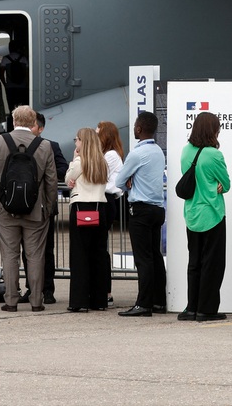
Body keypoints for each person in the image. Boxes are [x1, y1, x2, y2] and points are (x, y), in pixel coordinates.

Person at [0, 105, 58, 312]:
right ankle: (36, 301)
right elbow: (51, 181)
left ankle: (11, 301)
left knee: (10, 255)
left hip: (5, 210)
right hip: (36, 211)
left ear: (14, 120)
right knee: (35, 256)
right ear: (33, 122)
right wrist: (48, 207)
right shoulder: (44, 146)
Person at [113, 111, 167, 317]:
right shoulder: (158, 152)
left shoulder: (136, 154)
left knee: (143, 259)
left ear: (138, 128)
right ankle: (159, 301)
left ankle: (143, 304)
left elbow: (119, 182)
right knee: (155, 257)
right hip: (157, 209)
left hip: (141, 210)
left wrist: (130, 182)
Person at [179, 112, 231, 322]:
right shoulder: (214, 155)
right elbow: (226, 184)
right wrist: (217, 186)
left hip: (192, 213)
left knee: (195, 262)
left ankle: (191, 307)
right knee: (213, 263)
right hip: (212, 214)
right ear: (213, 130)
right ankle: (207, 309)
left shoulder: (185, 152)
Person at [64, 127, 110, 313]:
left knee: (80, 255)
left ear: (82, 142)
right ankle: (99, 300)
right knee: (98, 254)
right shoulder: (102, 162)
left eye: (77, 140)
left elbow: (68, 179)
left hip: (81, 207)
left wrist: (73, 160)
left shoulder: (79, 162)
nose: (75, 143)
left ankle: (79, 300)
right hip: (100, 207)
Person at [26, 112, 68, 305]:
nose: (29, 129)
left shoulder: (51, 146)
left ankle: (48, 289)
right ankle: (31, 288)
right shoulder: (16, 145)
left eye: (32, 125)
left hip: (44, 206)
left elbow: (63, 170)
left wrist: (42, 173)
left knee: (46, 250)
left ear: (40, 128)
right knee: (26, 251)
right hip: (23, 205)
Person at [97, 119, 125, 306]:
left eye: (98, 133)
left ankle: (105, 291)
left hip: (106, 200)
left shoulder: (110, 156)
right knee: (100, 246)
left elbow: (98, 175)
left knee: (101, 248)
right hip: (105, 200)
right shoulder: (108, 154)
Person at [1, 39, 29, 112]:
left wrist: (5, 84)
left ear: (9, 48)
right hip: (22, 86)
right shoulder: (23, 58)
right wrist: (26, 84)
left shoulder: (5, 59)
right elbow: (27, 73)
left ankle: (12, 121)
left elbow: (1, 73)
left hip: (10, 87)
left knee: (11, 106)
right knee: (22, 107)